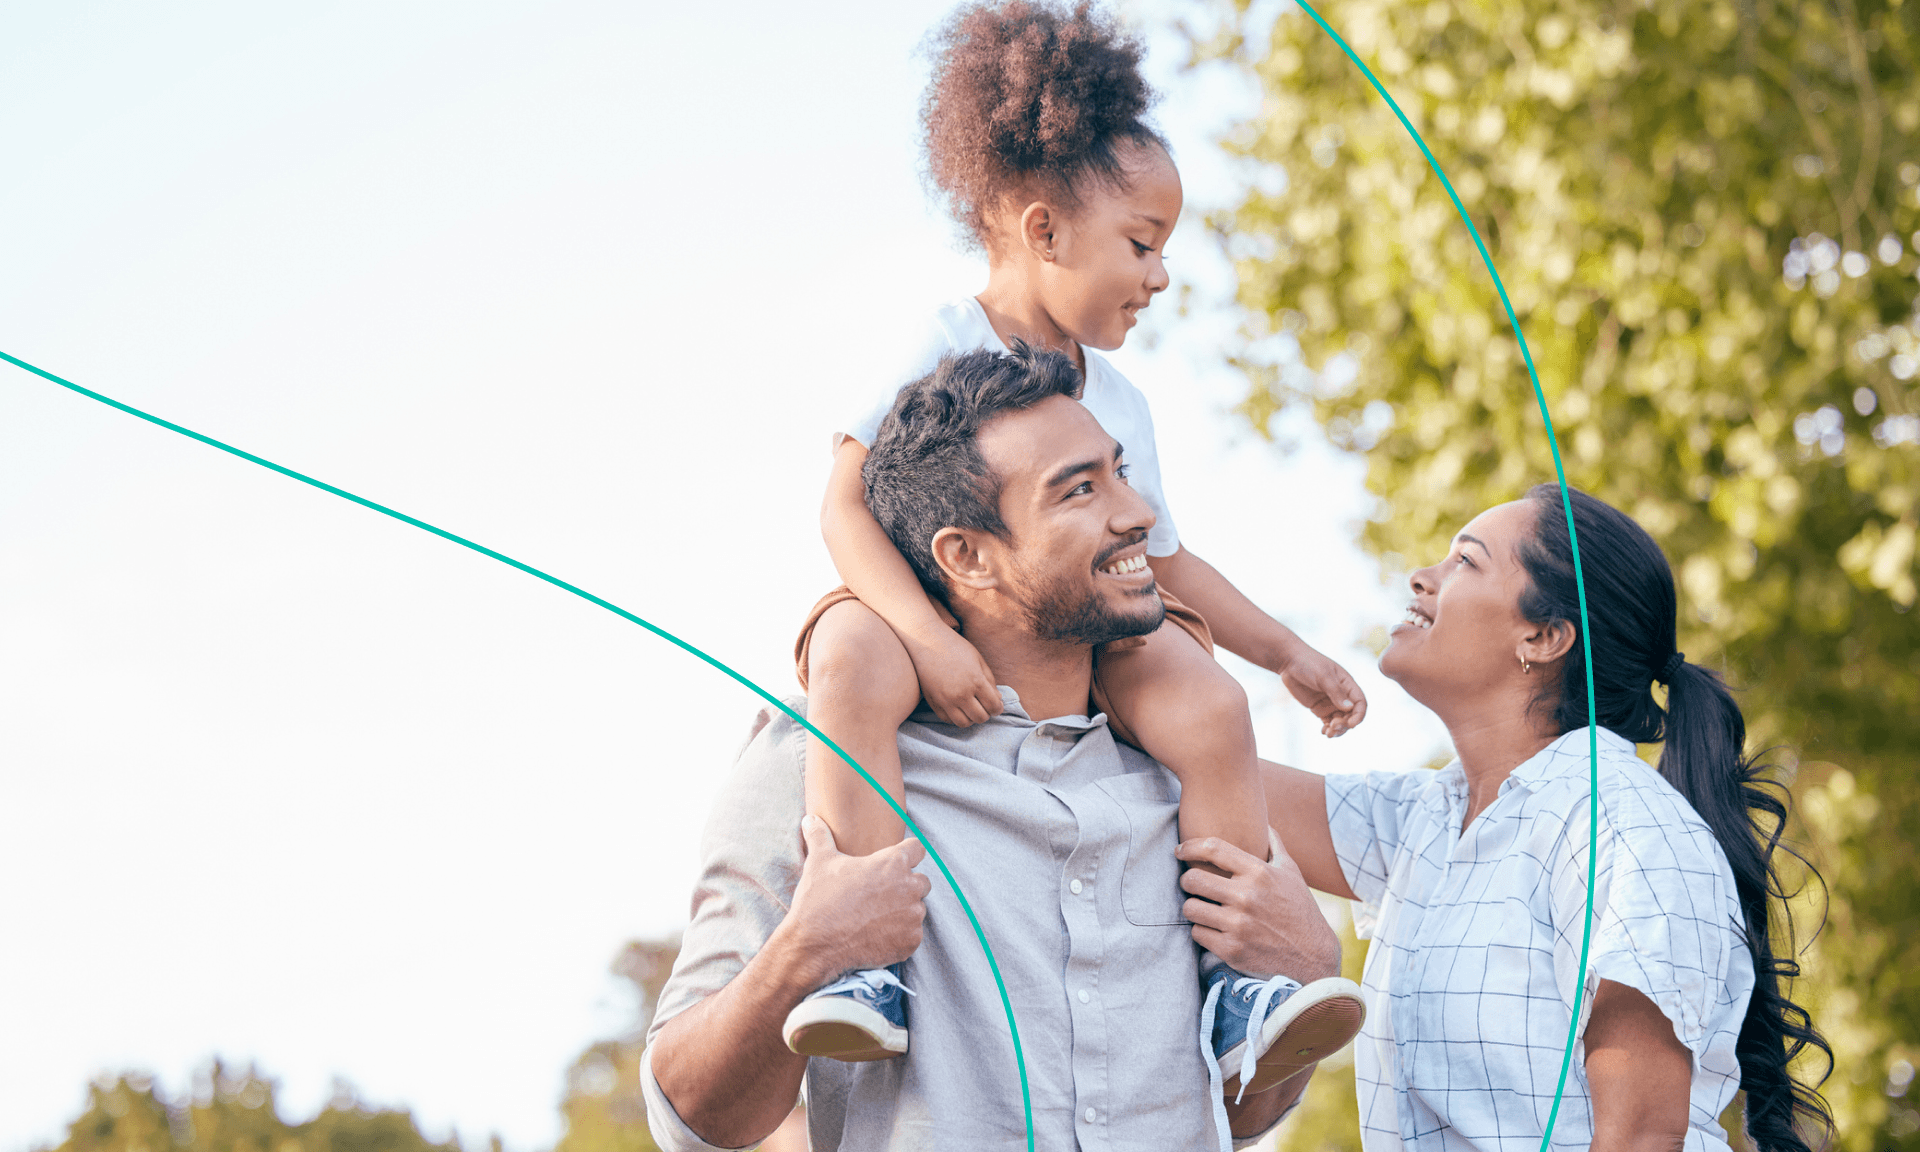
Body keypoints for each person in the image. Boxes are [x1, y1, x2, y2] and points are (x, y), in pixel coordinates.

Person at [787, 0, 1366, 1093]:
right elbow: (843, 510)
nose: (1157, 276)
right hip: (936, 606)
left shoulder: (1123, 400)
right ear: (1043, 230)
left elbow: (1171, 558)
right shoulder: (942, 340)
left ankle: (1237, 985)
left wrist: (1283, 652)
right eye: (1140, 246)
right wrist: (923, 633)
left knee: (1207, 705)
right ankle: (862, 961)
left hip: (1080, 627)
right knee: (849, 661)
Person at [641, 345, 1357, 1152]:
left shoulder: (1190, 763)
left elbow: (1245, 1111)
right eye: (1080, 490)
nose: (1138, 515)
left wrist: (1304, 961)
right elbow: (690, 1119)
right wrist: (806, 955)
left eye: (1120, 474)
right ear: (967, 556)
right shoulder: (821, 761)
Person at [1254, 485, 1834, 1151]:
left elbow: (1641, 1139)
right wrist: (1270, 646)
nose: (1421, 577)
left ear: (1544, 635)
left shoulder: (1626, 827)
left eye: (1465, 561)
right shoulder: (1426, 818)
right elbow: (1194, 759)